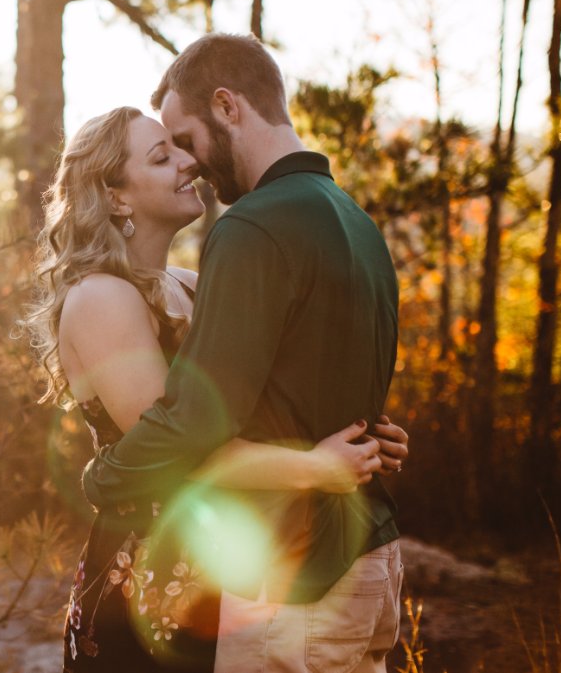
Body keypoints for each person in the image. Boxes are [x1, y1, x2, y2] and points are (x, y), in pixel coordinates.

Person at [26, 105, 409, 672]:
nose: (190, 163)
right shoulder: (100, 299)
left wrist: (366, 440)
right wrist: (314, 468)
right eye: (162, 156)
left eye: (181, 148)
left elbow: (264, 400)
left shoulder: (190, 284)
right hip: (145, 580)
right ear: (116, 198)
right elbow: (175, 453)